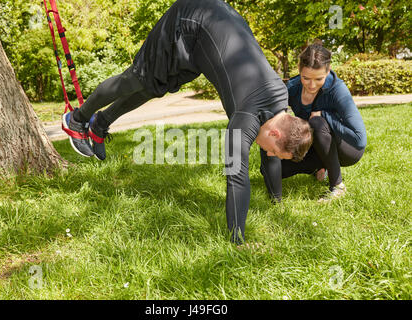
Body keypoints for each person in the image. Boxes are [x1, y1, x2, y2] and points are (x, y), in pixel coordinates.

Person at [62, 0, 313, 244]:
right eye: (271, 150)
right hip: (190, 19)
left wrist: (277, 203)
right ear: (277, 134)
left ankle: (100, 125)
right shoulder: (246, 118)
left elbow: (271, 156)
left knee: (155, 87)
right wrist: (238, 240)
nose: (267, 154)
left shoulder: (280, 102)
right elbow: (236, 177)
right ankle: (77, 119)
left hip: (206, 36)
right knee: (137, 78)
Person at [259, 43, 367, 203]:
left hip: (346, 149)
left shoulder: (338, 90)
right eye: (305, 78)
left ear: (328, 71)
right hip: (315, 147)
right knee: (272, 170)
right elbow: (270, 122)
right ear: (299, 71)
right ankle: (319, 167)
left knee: (316, 123)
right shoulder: (292, 88)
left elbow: (359, 139)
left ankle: (338, 186)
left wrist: (324, 115)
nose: (311, 85)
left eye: (319, 79)